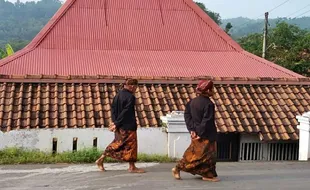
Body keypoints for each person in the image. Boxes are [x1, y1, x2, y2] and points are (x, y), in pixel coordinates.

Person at [172, 80, 219, 182]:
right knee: (203, 156)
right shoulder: (209, 104)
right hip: (206, 134)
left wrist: (192, 130)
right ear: (208, 91)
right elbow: (206, 121)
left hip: (197, 132)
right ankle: (178, 168)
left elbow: (187, 116)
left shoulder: (192, 102)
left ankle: (207, 174)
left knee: (196, 154)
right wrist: (200, 133)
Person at [96, 78, 145, 173]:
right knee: (131, 146)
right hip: (128, 126)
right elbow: (126, 112)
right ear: (132, 86)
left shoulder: (117, 95)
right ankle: (132, 167)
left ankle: (101, 159)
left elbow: (113, 110)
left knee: (117, 143)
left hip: (120, 126)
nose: (135, 89)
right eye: (135, 87)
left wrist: (115, 122)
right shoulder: (131, 97)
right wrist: (116, 123)